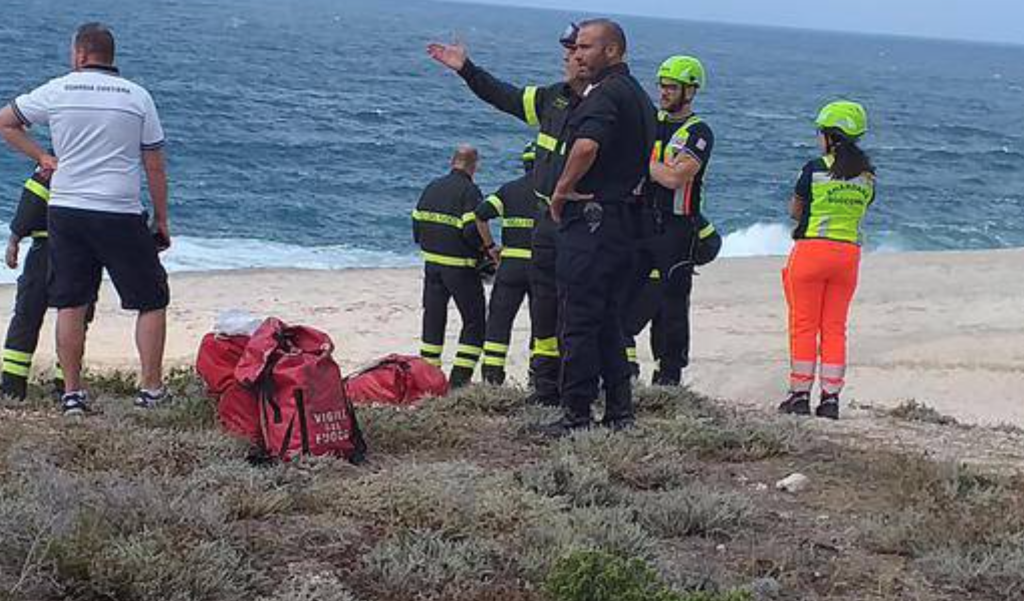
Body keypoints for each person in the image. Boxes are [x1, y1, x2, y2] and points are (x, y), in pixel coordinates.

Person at [0, 23, 171, 416]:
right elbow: (154, 165)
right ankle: (151, 391)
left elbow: (6, 121)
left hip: (67, 210)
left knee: (70, 301)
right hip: (119, 209)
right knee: (151, 299)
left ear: (79, 54)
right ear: (110, 56)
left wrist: (42, 157)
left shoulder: (58, 90)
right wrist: (161, 218)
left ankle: (72, 395)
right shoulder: (137, 96)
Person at [427, 23, 586, 406]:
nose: (568, 58)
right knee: (545, 323)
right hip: (548, 238)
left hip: (579, 233)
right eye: (568, 51)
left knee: (568, 321)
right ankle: (545, 395)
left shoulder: (610, 102)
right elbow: (504, 96)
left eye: (577, 51)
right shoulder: (553, 97)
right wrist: (467, 70)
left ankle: (577, 397)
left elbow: (480, 216)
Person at [541, 19, 656, 435]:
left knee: (578, 320)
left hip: (593, 221)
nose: (577, 54)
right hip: (624, 224)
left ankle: (576, 415)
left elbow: (587, 145)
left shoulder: (606, 93)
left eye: (586, 47)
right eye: (575, 48)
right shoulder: (638, 96)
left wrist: (561, 189)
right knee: (609, 321)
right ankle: (619, 413)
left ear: (612, 51)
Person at [623, 56, 722, 386]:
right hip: (640, 222)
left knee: (672, 305)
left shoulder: (698, 132)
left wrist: (640, 161)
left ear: (690, 91)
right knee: (624, 294)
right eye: (662, 86)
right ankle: (625, 369)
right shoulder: (649, 122)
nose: (663, 92)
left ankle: (668, 377)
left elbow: (674, 178)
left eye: (671, 87)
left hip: (677, 228)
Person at [778, 100, 875, 420]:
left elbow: (795, 211)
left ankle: (799, 395)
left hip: (811, 252)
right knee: (834, 328)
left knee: (804, 325)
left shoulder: (814, 169)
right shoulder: (868, 177)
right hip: (848, 256)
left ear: (831, 136)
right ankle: (830, 398)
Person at [1, 166, 96, 401]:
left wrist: (14, 239)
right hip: (85, 252)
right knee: (76, 318)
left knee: (27, 316)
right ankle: (66, 386)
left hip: (46, 250)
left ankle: (12, 387)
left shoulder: (52, 162)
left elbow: (32, 200)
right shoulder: (102, 164)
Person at [412, 145, 488, 389]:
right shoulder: (470, 191)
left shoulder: (432, 187)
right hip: (461, 267)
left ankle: (428, 379)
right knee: (474, 321)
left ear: (452, 161)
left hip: (432, 265)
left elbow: (416, 225)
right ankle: (459, 381)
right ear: (474, 166)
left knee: (433, 319)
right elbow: (470, 230)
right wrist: (484, 251)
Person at [476, 144, 538, 385]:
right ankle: (538, 379)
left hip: (510, 266)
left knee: (499, 323)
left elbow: (481, 214)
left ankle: (491, 379)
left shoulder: (509, 190)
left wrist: (490, 247)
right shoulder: (552, 190)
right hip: (541, 267)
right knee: (543, 324)